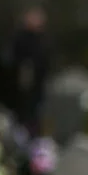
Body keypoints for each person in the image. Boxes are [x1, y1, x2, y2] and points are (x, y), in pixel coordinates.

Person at [9, 7, 52, 137]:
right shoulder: (21, 38)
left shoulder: (43, 40)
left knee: (33, 118)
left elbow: (45, 61)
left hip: (36, 88)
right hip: (19, 88)